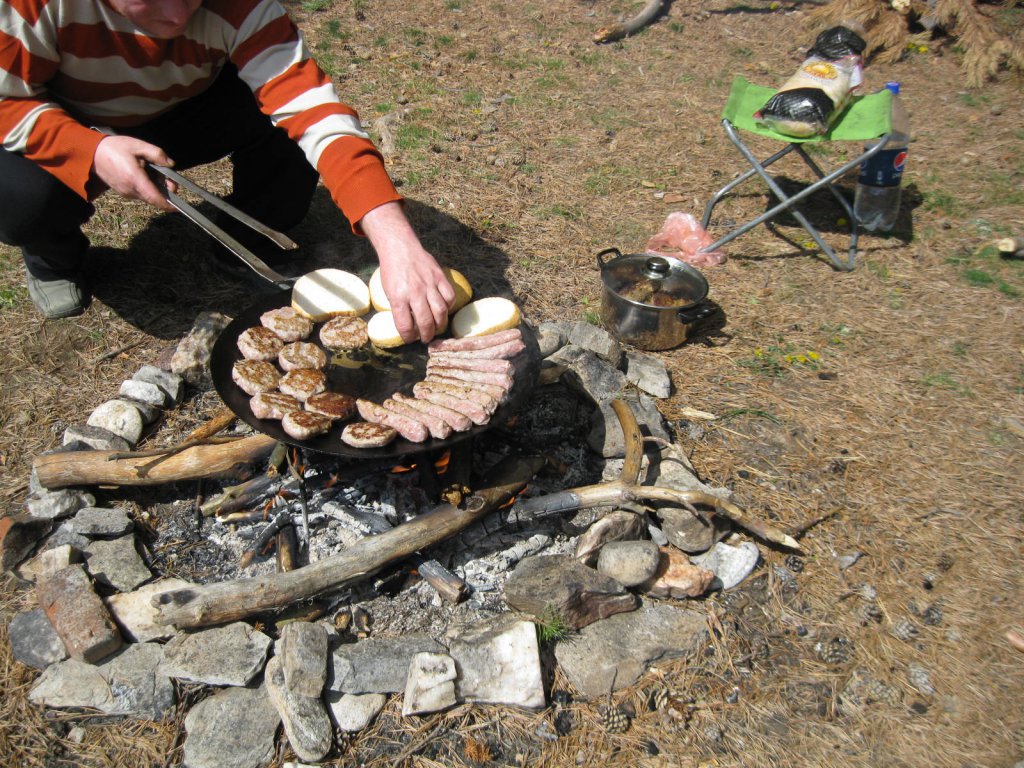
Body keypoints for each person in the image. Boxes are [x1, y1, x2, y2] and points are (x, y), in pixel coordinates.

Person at [0, 0, 455, 342]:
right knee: (21, 196)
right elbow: (5, 100)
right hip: (70, 119)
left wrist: (396, 241)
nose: (177, 16)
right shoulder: (33, 6)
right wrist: (92, 148)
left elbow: (314, 111)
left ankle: (250, 240)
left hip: (188, 107)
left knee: (290, 126)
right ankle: (52, 258)